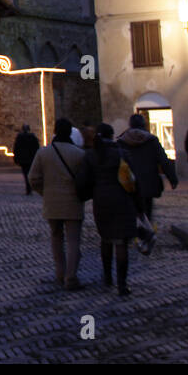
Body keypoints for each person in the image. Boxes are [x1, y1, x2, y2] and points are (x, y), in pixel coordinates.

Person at [27, 118, 88, 290]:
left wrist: (45, 192)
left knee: (56, 238)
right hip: (73, 203)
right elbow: (86, 179)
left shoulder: (44, 153)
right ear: (70, 132)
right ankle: (71, 277)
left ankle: (60, 273)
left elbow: (33, 178)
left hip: (52, 203)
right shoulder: (79, 154)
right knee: (73, 241)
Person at [85, 123, 137, 296]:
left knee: (106, 238)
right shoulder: (122, 154)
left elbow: (85, 179)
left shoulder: (92, 155)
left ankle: (107, 277)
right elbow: (132, 178)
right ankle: (122, 284)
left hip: (101, 200)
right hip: (121, 199)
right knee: (121, 241)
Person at [120, 113, 178, 252]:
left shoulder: (122, 141)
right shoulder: (151, 140)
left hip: (129, 184)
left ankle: (131, 235)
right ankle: (145, 238)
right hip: (148, 182)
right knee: (146, 211)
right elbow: (163, 160)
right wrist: (172, 178)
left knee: (131, 210)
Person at [13, 125, 39, 195]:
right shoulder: (33, 137)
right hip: (31, 159)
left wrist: (16, 158)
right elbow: (36, 148)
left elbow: (16, 149)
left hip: (23, 160)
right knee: (30, 174)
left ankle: (28, 188)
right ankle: (29, 187)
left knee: (26, 174)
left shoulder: (19, 138)